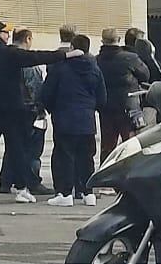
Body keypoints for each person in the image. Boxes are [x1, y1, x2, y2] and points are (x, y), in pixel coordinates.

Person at [0, 20, 69, 204]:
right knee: (16, 149)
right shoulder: (8, 53)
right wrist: (63, 55)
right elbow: (36, 57)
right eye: (5, 32)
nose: (8, 35)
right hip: (12, 109)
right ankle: (21, 189)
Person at [39, 34, 106, 207]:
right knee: (87, 157)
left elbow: (46, 93)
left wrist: (52, 109)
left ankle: (65, 193)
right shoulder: (95, 69)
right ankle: (87, 192)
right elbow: (102, 98)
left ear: (71, 48)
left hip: (64, 118)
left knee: (65, 156)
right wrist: (91, 108)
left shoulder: (60, 68)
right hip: (87, 120)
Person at [10, 29, 53, 197]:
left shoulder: (5, 59)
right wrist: (41, 108)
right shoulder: (30, 64)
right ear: (27, 39)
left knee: (15, 146)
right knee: (33, 150)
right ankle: (33, 182)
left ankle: (7, 180)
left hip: (12, 108)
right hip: (30, 110)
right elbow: (36, 88)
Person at [96, 28, 149, 161]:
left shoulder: (96, 60)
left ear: (102, 41)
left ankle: (106, 176)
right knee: (130, 145)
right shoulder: (130, 58)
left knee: (107, 146)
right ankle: (130, 176)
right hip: (128, 106)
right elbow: (145, 74)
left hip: (106, 107)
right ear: (118, 40)